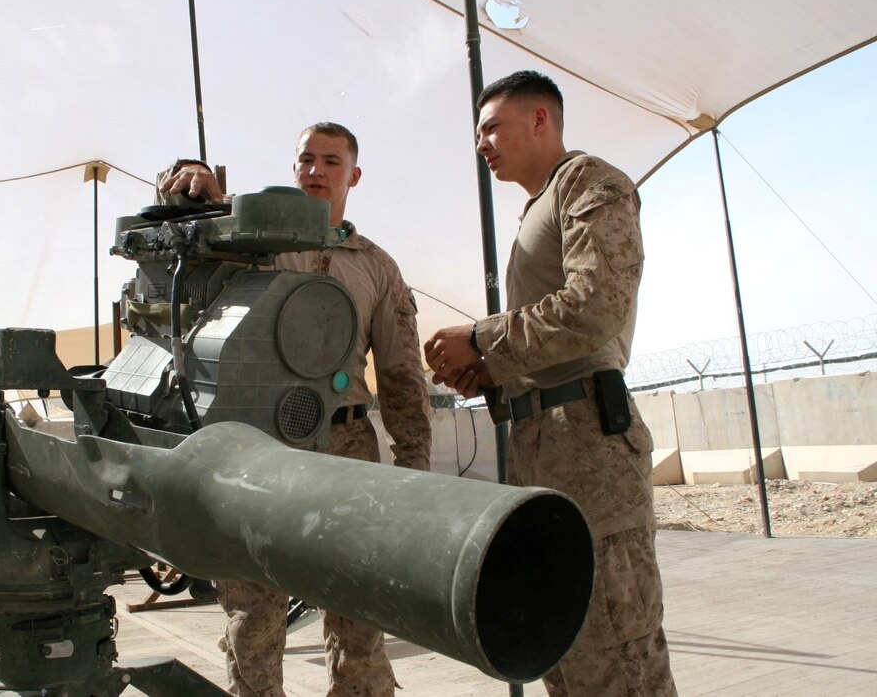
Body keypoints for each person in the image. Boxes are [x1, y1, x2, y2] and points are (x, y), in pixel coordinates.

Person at [157, 121, 432, 697]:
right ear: (293, 169)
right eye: (306, 159)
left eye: (331, 161)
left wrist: (416, 467)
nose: (315, 170)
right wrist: (190, 179)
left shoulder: (376, 265)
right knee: (254, 616)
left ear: (353, 176)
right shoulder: (254, 239)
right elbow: (182, 220)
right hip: (263, 450)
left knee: (359, 607)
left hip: (348, 448)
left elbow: (402, 371)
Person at [424, 71, 677, 696]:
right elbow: (553, 337)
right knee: (566, 654)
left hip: (589, 444)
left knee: (620, 657)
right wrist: (488, 371)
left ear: (541, 119)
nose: (482, 142)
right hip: (542, 445)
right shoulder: (536, 209)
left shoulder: (590, 183)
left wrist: (484, 339)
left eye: (491, 126)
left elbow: (595, 307)